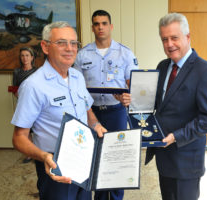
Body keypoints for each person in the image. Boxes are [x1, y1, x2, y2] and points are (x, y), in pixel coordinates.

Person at [11, 21, 107, 200]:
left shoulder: (77, 77)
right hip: (55, 167)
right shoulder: (33, 86)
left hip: (84, 162)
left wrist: (96, 124)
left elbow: (87, 110)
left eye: (73, 43)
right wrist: (44, 156)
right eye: (62, 43)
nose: (70, 49)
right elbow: (19, 138)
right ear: (45, 47)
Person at [145, 13, 207, 200]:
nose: (169, 44)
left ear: (187, 37)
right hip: (164, 157)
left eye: (174, 38)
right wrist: (132, 100)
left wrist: (176, 137)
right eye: (164, 39)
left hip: (186, 161)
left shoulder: (206, 71)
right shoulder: (163, 66)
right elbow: (159, 105)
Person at [74, 10, 138, 200]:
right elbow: (76, 85)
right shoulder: (82, 54)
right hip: (90, 113)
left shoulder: (125, 53)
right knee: (94, 159)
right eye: (96, 24)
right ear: (92, 27)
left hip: (116, 112)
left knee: (117, 158)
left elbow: (132, 85)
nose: (100, 27)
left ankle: (117, 198)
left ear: (110, 26)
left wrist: (128, 97)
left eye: (104, 23)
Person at [12, 47, 37, 163]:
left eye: (27, 55)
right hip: (22, 105)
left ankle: (39, 152)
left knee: (37, 129)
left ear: (32, 57)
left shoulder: (38, 71)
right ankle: (29, 153)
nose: (25, 58)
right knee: (25, 130)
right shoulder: (16, 72)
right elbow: (14, 89)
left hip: (36, 105)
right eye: (22, 55)